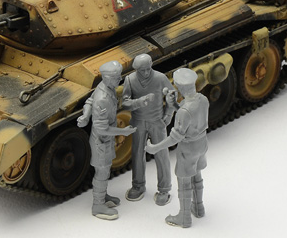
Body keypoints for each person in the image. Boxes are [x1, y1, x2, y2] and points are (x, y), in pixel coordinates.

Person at [145, 68, 208, 228]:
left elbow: (175, 137)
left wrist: (155, 147)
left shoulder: (184, 111)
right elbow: (190, 116)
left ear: (181, 87)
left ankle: (184, 217)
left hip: (188, 149)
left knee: (184, 181)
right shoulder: (203, 100)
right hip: (201, 144)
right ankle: (199, 207)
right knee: (197, 175)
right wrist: (174, 105)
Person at [77, 61, 136, 220]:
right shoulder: (103, 98)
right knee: (102, 172)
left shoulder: (104, 87)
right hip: (101, 142)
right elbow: (102, 128)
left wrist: (86, 115)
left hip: (105, 141)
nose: (119, 79)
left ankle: (102, 196)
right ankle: (98, 205)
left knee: (105, 170)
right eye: (116, 77)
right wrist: (123, 132)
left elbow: (89, 101)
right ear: (107, 77)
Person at [122, 54, 175, 205]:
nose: (146, 72)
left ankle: (164, 189)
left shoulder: (160, 78)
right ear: (136, 69)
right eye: (142, 70)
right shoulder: (130, 80)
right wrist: (140, 102)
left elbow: (172, 95)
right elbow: (125, 103)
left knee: (161, 154)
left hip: (157, 121)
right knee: (137, 154)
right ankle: (138, 186)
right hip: (138, 122)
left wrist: (168, 115)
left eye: (148, 68)